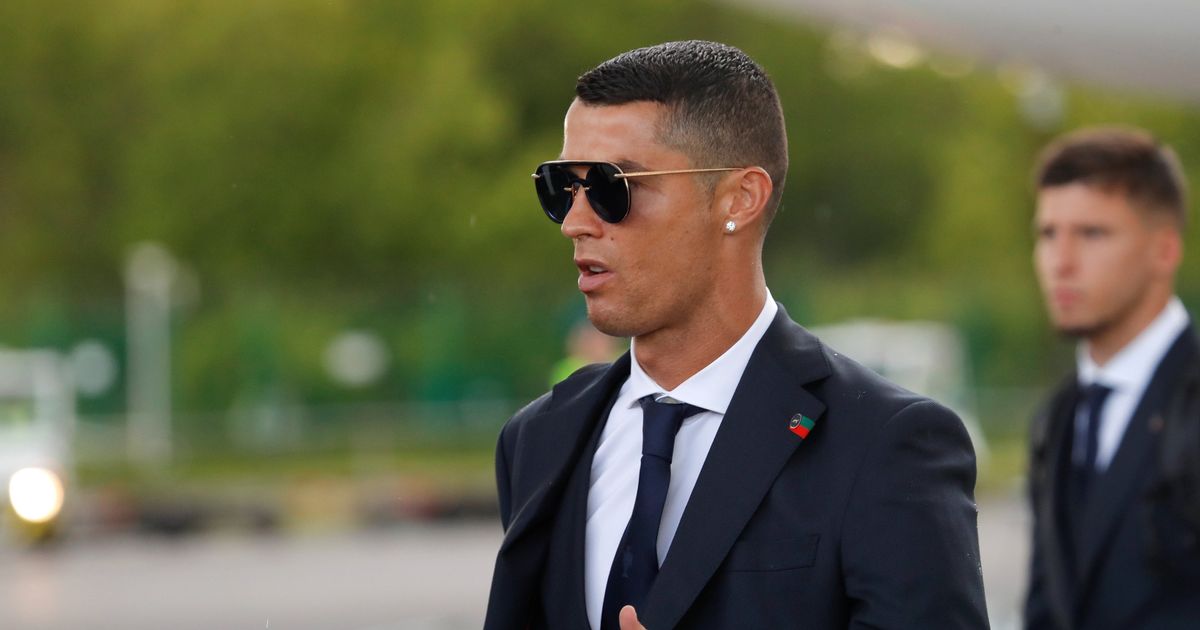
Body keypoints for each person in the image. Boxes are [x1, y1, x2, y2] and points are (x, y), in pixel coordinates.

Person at [485, 40, 988, 630]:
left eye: (609, 187)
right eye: (560, 187)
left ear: (740, 198)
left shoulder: (884, 443)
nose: (575, 222)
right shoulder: (539, 439)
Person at [1025, 127, 1200, 629]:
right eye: (1048, 234)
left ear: (1164, 251)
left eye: (1092, 233)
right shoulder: (1057, 418)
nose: (1061, 262)